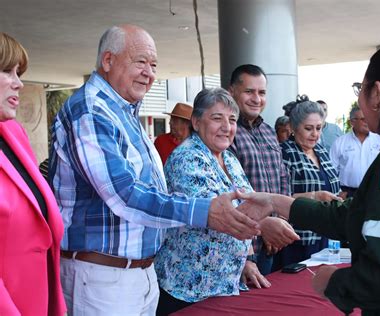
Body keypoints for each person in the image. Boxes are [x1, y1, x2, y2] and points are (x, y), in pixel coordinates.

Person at [239, 43, 380, 315]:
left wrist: (335, 282)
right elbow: (356, 215)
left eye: (360, 89)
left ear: (376, 93)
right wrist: (275, 202)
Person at [49, 25, 263, 315]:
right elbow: (123, 194)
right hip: (104, 277)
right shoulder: (90, 109)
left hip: (139, 274)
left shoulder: (123, 112)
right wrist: (205, 211)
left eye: (153, 65)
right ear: (108, 61)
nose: (149, 73)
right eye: (140, 62)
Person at [155, 88, 298, 315]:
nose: (226, 126)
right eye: (216, 118)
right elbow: (220, 215)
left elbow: (246, 204)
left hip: (224, 286)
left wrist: (247, 260)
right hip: (188, 290)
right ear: (196, 121)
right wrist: (264, 225)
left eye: (232, 119)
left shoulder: (229, 159)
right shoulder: (187, 157)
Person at [0, 32, 66, 316]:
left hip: (38, 301)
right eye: (6, 71)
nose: (19, 83)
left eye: (18, 72)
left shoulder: (13, 133)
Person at [228, 64, 290, 276]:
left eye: (261, 92)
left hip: (272, 242)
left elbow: (282, 178)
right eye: (249, 91)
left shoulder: (269, 131)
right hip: (243, 244)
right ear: (232, 92)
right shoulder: (226, 132)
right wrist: (263, 228)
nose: (256, 98)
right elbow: (230, 190)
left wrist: (280, 222)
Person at [279, 95, 341, 267]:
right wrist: (316, 196)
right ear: (293, 128)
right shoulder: (285, 153)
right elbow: (278, 197)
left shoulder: (320, 150)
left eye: (319, 128)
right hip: (300, 237)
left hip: (327, 233)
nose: (315, 134)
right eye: (308, 128)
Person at [330, 106, 380, 197]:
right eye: (363, 119)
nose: (367, 122)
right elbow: (330, 170)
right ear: (352, 122)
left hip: (374, 192)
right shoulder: (340, 142)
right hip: (346, 193)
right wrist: (338, 192)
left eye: (368, 118)